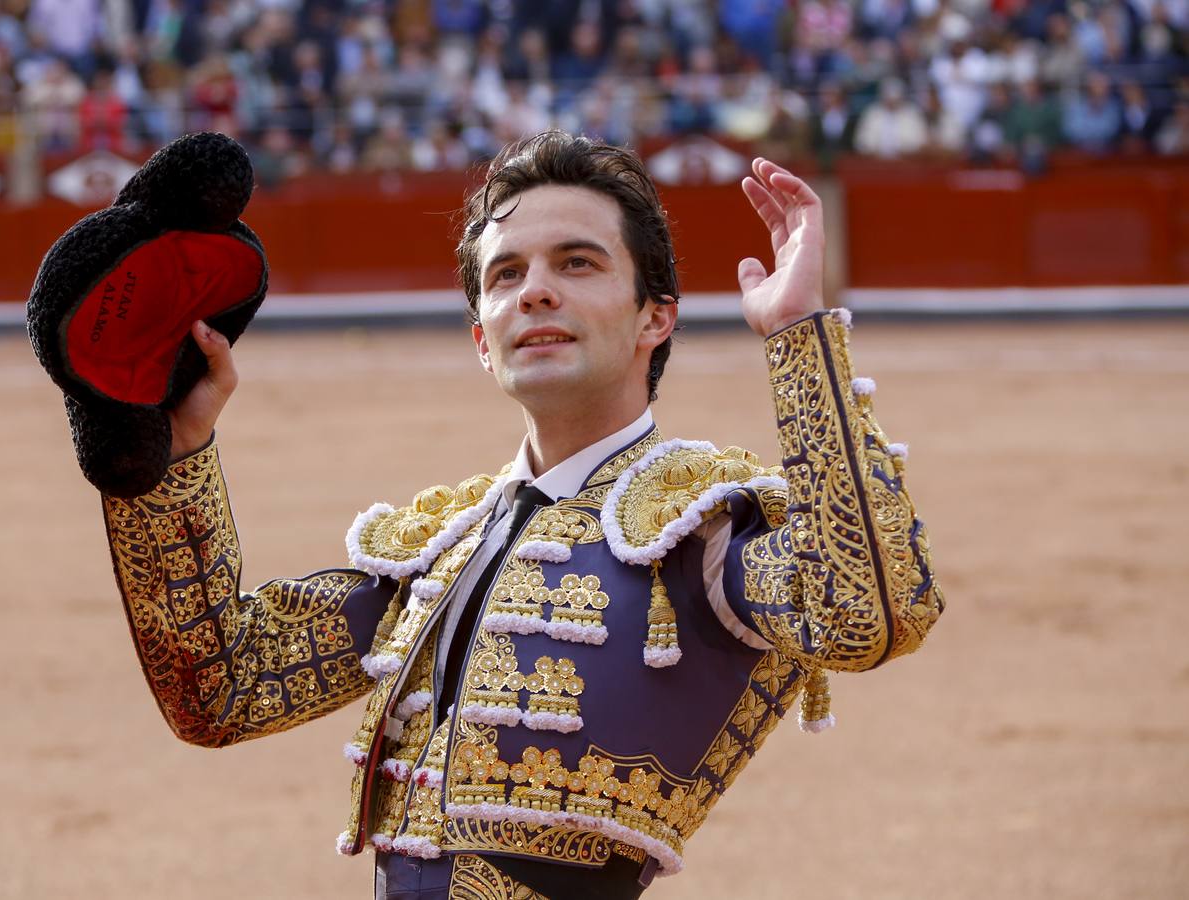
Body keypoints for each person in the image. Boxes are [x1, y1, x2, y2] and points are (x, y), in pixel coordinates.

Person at [97, 131, 944, 899]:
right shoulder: (444, 543)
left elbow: (869, 612)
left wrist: (800, 340)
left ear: (657, 316)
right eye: (507, 274)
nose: (535, 292)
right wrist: (172, 452)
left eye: (577, 263)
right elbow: (220, 688)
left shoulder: (702, 526)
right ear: (480, 337)